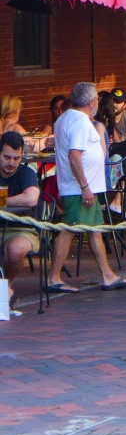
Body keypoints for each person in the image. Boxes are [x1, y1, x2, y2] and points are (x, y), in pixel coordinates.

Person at [47, 82, 126, 292]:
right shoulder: (80, 122)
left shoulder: (65, 118)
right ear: (92, 101)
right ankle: (53, 278)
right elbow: (74, 156)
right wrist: (85, 186)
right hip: (79, 189)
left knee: (94, 231)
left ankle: (107, 275)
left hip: (86, 188)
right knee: (69, 229)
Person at [0, 131, 40, 309]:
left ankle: (5, 287)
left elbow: (31, 199)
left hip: (23, 229)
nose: (11, 163)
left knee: (15, 250)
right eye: (7, 157)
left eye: (16, 158)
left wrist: (2, 201)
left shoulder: (26, 172)